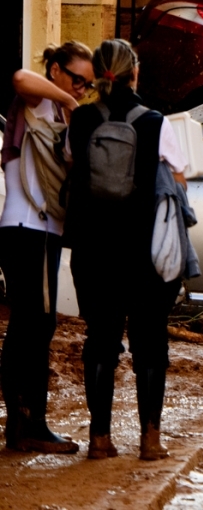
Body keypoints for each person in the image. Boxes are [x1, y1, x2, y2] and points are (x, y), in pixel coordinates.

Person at [65, 39, 188, 461]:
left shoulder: (80, 120)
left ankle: (99, 440)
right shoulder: (155, 122)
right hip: (142, 252)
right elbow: (178, 180)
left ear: (99, 74)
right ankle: (150, 440)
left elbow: (72, 168)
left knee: (100, 340)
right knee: (150, 342)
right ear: (135, 72)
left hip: (93, 251)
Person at [1, 42, 93, 454]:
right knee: (32, 327)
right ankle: (28, 426)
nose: (81, 89)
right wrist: (70, 98)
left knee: (35, 325)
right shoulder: (37, 101)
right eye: (76, 78)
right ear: (55, 69)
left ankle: (25, 424)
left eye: (87, 85)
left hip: (43, 231)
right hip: (29, 229)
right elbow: (20, 77)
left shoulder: (57, 112)